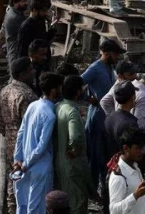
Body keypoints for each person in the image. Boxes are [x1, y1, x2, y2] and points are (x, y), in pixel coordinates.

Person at [14, 72, 64, 214]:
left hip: (24, 165)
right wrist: (25, 163)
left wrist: (17, 159)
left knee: (23, 204)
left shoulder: (33, 105)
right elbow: (41, 146)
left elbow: (21, 133)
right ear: (54, 90)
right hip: (39, 167)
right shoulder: (50, 115)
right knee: (38, 208)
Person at [82, 39, 125, 201]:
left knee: (106, 154)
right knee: (95, 155)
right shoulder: (95, 68)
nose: (117, 58)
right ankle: (93, 191)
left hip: (107, 117)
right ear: (106, 54)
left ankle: (105, 188)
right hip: (97, 117)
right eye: (115, 54)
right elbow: (77, 83)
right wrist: (88, 97)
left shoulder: (109, 68)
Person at [0, 57, 38, 213]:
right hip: (25, 144)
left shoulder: (4, 91)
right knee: (28, 180)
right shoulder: (26, 95)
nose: (34, 72)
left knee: (13, 178)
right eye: (30, 70)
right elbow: (33, 125)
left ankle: (12, 208)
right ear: (22, 74)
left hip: (9, 142)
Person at [55, 75, 97, 213]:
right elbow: (76, 137)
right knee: (78, 203)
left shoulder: (59, 106)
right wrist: (74, 149)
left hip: (60, 163)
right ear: (78, 91)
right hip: (74, 165)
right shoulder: (73, 111)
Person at [108, 127, 145, 214]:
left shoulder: (135, 166)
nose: (142, 152)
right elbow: (114, 210)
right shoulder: (119, 176)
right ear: (126, 148)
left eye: (142, 147)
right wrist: (136, 195)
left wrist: (144, 191)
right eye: (138, 148)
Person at [4, 0, 29, 66]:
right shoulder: (15, 17)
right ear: (15, 2)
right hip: (16, 52)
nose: (26, 3)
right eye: (23, 1)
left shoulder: (16, 13)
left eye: (26, 1)